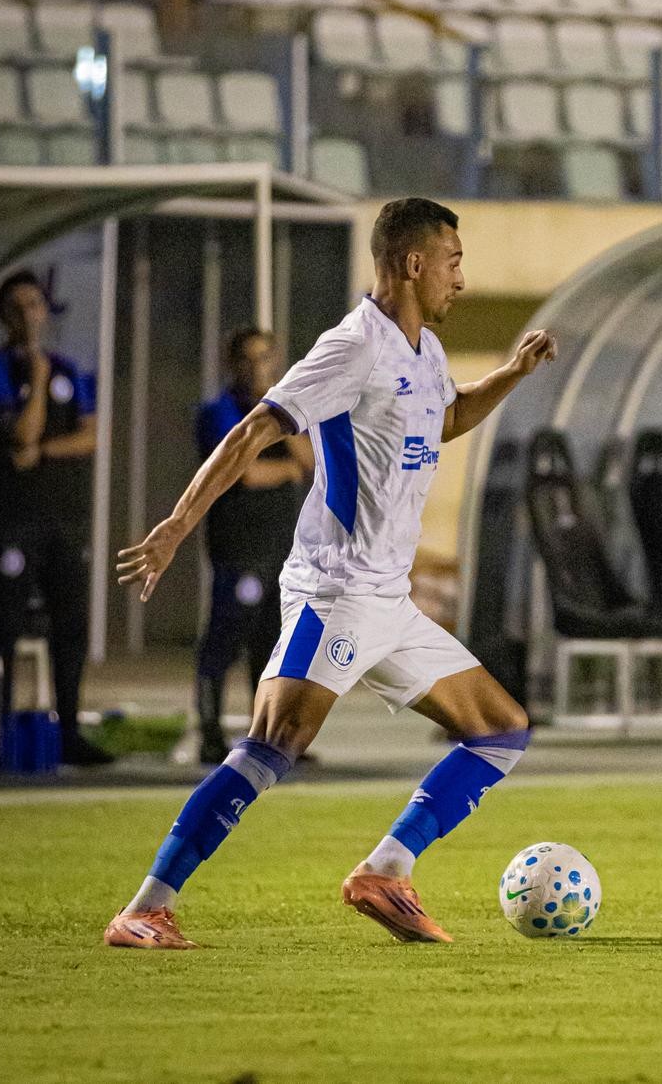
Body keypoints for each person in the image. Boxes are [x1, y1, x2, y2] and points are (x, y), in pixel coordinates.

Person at [103, 197, 557, 950]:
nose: (461, 280)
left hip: (388, 598)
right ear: (413, 264)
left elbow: (443, 421)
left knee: (500, 729)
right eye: (454, 261)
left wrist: (511, 372)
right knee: (272, 743)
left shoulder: (425, 352)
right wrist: (178, 525)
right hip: (337, 590)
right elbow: (255, 428)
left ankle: (386, 869)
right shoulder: (353, 346)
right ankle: (144, 908)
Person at [0, 271, 110, 767]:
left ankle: (69, 731)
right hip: (14, 522)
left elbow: (89, 437)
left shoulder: (70, 370)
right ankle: (1, 738)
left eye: (35, 304)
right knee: (7, 625)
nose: (28, 315)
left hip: (64, 521)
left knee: (70, 623)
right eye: (16, 307)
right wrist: (33, 373)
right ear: (4, 317)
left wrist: (43, 450)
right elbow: (20, 435)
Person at [193, 327, 313, 765]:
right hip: (237, 548)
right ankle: (209, 734)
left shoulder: (282, 412)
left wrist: (280, 416)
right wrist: (281, 471)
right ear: (233, 363)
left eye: (265, 358)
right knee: (224, 642)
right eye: (248, 359)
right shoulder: (219, 412)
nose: (257, 367)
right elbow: (244, 473)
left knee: (274, 648)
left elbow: (309, 463)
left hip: (280, 550)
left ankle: (269, 738)